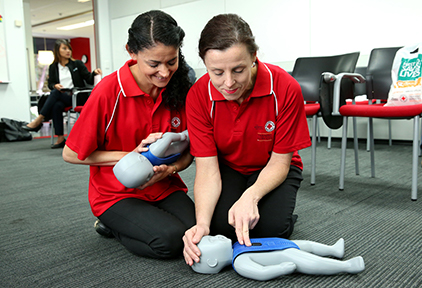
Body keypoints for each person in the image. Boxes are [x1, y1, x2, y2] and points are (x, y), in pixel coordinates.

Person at [62, 10, 195, 259]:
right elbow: (70, 154)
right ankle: (111, 225)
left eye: (171, 61)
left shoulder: (180, 88)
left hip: (162, 185)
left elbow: (189, 152)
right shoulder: (108, 92)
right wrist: (131, 155)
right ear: (132, 52)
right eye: (153, 64)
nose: (165, 73)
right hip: (115, 194)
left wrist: (172, 169)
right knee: (170, 242)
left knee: (199, 232)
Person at [183, 14, 311, 266]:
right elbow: (207, 170)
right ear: (204, 64)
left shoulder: (284, 87)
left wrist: (250, 197)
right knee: (221, 229)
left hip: (273, 167)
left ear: (253, 57)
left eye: (238, 70)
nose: (228, 83)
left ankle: (280, 215)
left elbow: (280, 163)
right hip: (228, 167)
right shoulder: (198, 95)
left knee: (271, 230)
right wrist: (202, 225)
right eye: (217, 72)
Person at [23, 39, 102, 148]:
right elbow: (51, 84)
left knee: (55, 93)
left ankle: (39, 119)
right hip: (62, 97)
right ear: (57, 51)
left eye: (69, 48)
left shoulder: (77, 64)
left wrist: (94, 73)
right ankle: (60, 138)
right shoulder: (53, 67)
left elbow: (88, 80)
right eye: (64, 48)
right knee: (56, 105)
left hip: (76, 96)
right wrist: (55, 85)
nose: (68, 51)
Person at [192, 235, 365, 281]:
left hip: (279, 243)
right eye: (212, 241)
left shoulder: (237, 244)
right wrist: (280, 269)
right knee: (309, 261)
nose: (216, 236)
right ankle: (346, 266)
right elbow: (260, 272)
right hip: (283, 254)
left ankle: (333, 250)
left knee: (307, 245)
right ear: (212, 262)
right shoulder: (239, 261)